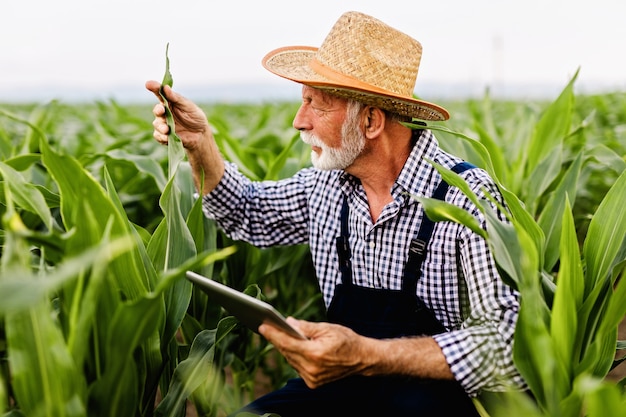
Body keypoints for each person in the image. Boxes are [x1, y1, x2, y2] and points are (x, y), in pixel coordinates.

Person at [146, 11, 526, 416]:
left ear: (371, 120)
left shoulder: (466, 198)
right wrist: (199, 143)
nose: (298, 121)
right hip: (338, 388)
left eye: (317, 105)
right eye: (302, 101)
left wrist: (366, 353)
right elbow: (249, 211)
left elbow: (507, 344)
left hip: (433, 401)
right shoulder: (328, 185)